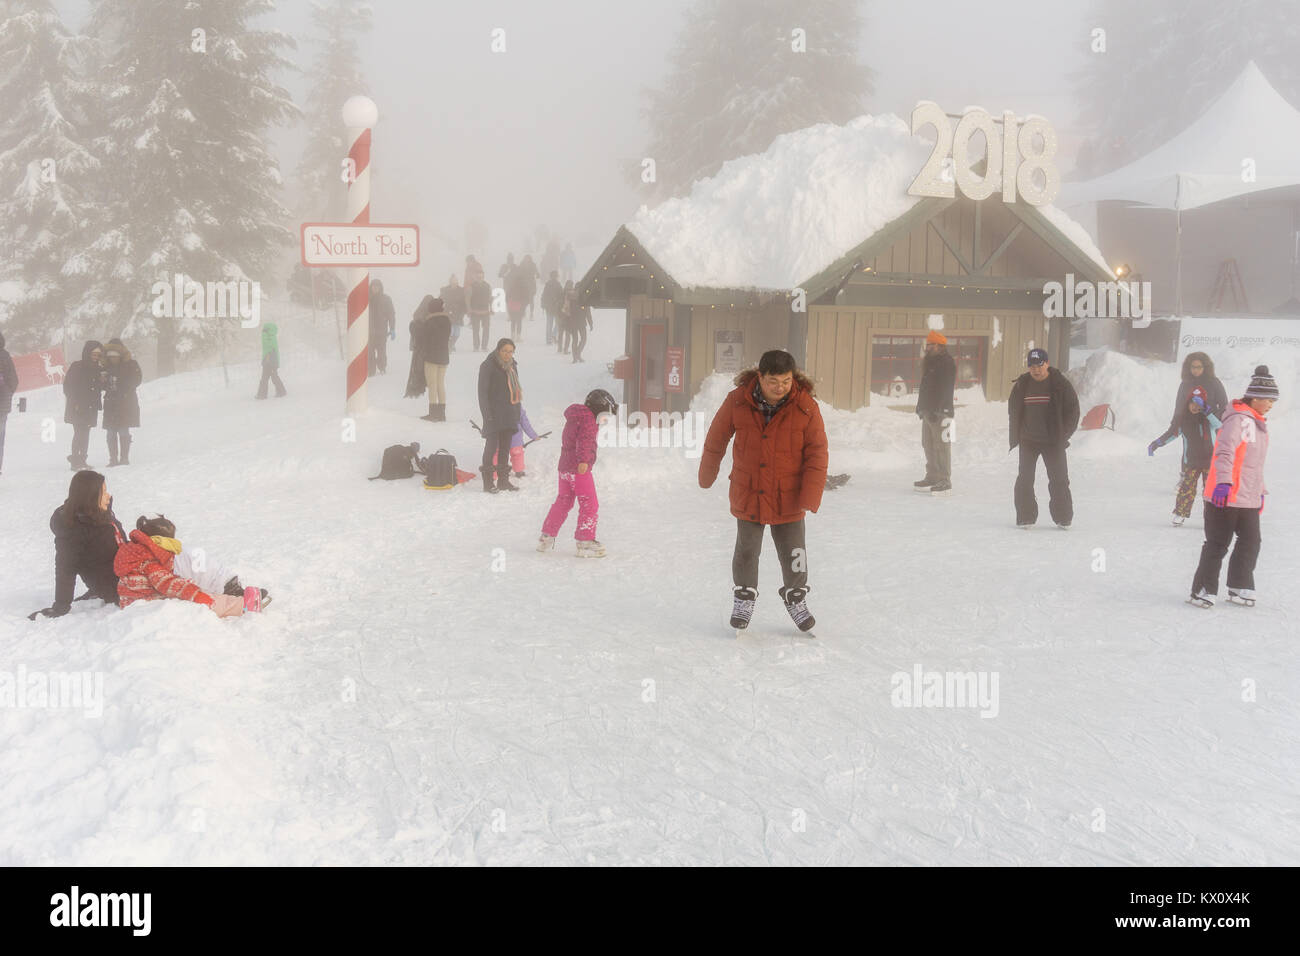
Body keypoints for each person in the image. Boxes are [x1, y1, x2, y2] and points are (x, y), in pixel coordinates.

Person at [698, 349, 828, 632]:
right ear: (760, 377)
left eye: (786, 381)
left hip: (789, 494)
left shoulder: (806, 407)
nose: (780, 388)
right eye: (773, 382)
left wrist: (810, 494)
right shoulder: (738, 401)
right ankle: (744, 596)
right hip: (750, 490)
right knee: (746, 549)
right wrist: (707, 472)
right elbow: (716, 437)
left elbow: (817, 453)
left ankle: (796, 598)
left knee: (795, 552)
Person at [1189, 366, 1277, 608]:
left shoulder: (1257, 424)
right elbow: (1225, 452)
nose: (1271, 405)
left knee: (1251, 541)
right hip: (1225, 495)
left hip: (1246, 496)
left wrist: (1260, 491)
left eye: (1273, 401)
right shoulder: (1240, 419)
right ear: (1255, 398)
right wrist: (1224, 483)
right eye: (1268, 400)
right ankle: (1203, 589)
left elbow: (1252, 464)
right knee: (1218, 543)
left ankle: (1239, 584)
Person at [30, 470, 127, 619]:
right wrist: (61, 606)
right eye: (103, 492)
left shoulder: (98, 514)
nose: (108, 496)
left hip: (128, 569)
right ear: (90, 497)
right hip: (116, 586)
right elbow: (65, 570)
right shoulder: (72, 531)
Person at [115, 515, 245, 617]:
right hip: (146, 607)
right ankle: (243, 605)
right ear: (159, 543)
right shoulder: (149, 563)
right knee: (206, 602)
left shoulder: (136, 553)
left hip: (133, 604)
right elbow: (168, 583)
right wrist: (198, 596)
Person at [1008, 348, 1080, 529]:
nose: (1036, 370)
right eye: (1032, 366)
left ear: (1046, 364)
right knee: (1025, 479)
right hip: (1028, 441)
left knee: (1059, 479)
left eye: (1039, 365)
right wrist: (1017, 433)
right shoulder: (1022, 384)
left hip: (1053, 441)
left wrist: (1064, 435)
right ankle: (1026, 517)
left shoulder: (1060, 384)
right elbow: (1014, 410)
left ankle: (1063, 518)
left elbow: (1073, 411)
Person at [538, 390, 615, 557]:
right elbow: (585, 441)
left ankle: (546, 536)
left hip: (564, 467)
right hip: (579, 468)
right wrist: (584, 461)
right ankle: (585, 541)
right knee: (590, 503)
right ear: (598, 407)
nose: (605, 419)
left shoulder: (576, 416)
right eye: (605, 414)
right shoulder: (588, 420)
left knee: (563, 501)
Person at [1148, 384, 1221, 526]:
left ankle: (1212, 519)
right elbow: (1171, 434)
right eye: (1192, 403)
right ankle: (1180, 514)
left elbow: (1220, 426)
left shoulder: (1209, 420)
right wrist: (1156, 443)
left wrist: (1208, 412)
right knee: (1187, 489)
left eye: (1198, 404)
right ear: (1187, 403)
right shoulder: (1183, 421)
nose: (1194, 407)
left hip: (1210, 461)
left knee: (1210, 491)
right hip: (1192, 461)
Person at [477, 338, 523, 492]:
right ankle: (488, 483)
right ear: (498, 350)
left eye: (510, 351)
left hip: (509, 413)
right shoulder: (488, 366)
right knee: (491, 448)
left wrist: (517, 413)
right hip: (493, 414)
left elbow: (516, 392)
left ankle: (503, 481)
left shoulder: (513, 366)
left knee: (504, 449)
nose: (507, 354)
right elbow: (482, 393)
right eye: (504, 351)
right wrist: (486, 414)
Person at [914, 330, 956, 494]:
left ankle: (945, 479)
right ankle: (932, 475)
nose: (928, 347)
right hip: (928, 411)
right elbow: (925, 388)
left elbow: (945, 389)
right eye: (928, 344)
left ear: (939, 346)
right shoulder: (930, 362)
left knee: (943, 447)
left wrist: (937, 409)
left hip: (941, 412)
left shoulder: (947, 363)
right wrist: (921, 407)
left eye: (931, 345)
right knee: (928, 444)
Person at [63, 340, 105, 470]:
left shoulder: (99, 369)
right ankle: (75, 461)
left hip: (91, 406)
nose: (95, 357)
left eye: (98, 355)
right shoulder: (77, 366)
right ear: (87, 353)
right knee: (79, 432)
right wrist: (75, 402)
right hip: (78, 406)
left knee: (85, 433)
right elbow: (68, 386)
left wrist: (102, 382)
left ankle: (82, 460)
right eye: (93, 354)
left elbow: (99, 388)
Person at [101, 338, 142, 467]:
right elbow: (100, 385)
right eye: (110, 355)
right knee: (111, 431)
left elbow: (137, 379)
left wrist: (122, 385)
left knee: (123, 429)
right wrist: (103, 381)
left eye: (115, 355)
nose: (113, 358)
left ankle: (124, 458)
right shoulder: (105, 367)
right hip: (111, 402)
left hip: (125, 402)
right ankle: (113, 459)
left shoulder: (131, 364)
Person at [1171, 351, 1228, 423]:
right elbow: (1179, 406)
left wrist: (1214, 419)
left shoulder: (1214, 382)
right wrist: (1174, 424)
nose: (1195, 370)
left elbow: (1224, 405)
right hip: (1190, 425)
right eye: (1193, 367)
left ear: (1206, 367)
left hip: (1211, 426)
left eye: (1199, 367)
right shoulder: (1185, 383)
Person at [494, 405, 539, 478]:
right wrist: (534, 436)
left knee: (497, 454)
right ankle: (519, 472)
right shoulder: (517, 406)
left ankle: (494, 473)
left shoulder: (497, 405)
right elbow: (525, 424)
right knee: (517, 455)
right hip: (515, 439)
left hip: (500, 437)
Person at [368, 279, 396, 375]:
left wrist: (392, 328)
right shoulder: (366, 299)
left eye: (377, 286)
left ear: (380, 288)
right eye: (373, 286)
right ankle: (371, 370)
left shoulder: (386, 299)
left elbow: (391, 314)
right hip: (369, 331)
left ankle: (382, 367)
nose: (375, 288)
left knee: (381, 351)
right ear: (370, 287)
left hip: (381, 331)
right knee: (369, 351)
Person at [0, 331, 17, 475]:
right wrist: (8, 391)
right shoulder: (5, 355)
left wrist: (7, 391)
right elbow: (13, 380)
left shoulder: (4, 356)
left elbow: (13, 379)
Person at [256, 322, 286, 399]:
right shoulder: (272, 337)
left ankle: (262, 395)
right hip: (271, 360)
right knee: (273, 377)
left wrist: (264, 334)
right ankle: (281, 391)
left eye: (265, 330)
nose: (263, 331)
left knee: (265, 378)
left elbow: (268, 346)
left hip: (269, 360)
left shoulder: (269, 337)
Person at [440, 273, 467, 352]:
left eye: (455, 282)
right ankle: (449, 346)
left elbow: (464, 302)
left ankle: (451, 345)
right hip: (448, 313)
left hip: (458, 314)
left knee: (457, 333)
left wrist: (464, 311)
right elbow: (441, 300)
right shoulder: (445, 290)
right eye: (452, 282)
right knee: (450, 332)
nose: (454, 284)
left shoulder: (461, 290)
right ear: (450, 282)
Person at [467, 273, 493, 352]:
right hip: (475, 312)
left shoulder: (488, 286)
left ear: (483, 277)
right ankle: (476, 346)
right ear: (476, 277)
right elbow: (468, 298)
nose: (480, 278)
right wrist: (469, 309)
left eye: (481, 277)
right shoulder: (471, 286)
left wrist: (491, 308)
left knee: (486, 329)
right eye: (478, 277)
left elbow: (490, 298)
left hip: (485, 311)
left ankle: (484, 346)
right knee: (475, 330)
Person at [505, 261, 529, 341]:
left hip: (512, 305)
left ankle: (512, 336)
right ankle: (518, 336)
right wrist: (525, 305)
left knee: (513, 321)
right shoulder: (524, 287)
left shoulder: (512, 286)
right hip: (520, 306)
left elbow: (507, 295)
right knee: (519, 321)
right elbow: (526, 297)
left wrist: (508, 303)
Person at [540, 270, 563, 347]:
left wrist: (543, 304)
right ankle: (553, 334)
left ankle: (548, 340)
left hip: (548, 307)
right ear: (556, 276)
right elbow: (561, 296)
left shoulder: (547, 284)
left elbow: (544, 295)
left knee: (549, 323)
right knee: (558, 323)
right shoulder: (558, 285)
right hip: (556, 307)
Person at [519, 253, 540, 319]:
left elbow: (537, 272)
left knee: (531, 299)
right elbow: (518, 272)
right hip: (523, 285)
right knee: (523, 299)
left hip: (531, 284)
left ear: (530, 259)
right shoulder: (521, 265)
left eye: (528, 258)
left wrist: (537, 274)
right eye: (526, 258)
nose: (527, 260)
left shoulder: (533, 265)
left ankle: (531, 313)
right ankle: (523, 311)